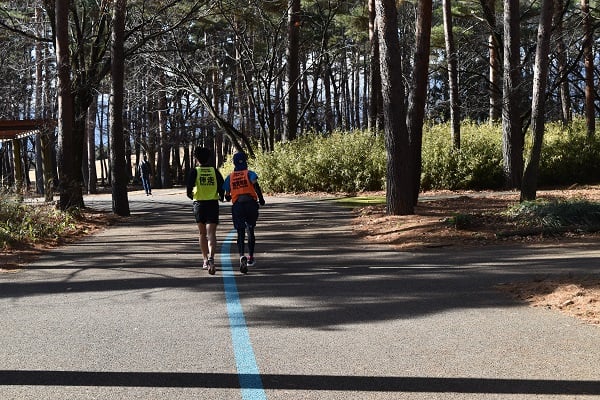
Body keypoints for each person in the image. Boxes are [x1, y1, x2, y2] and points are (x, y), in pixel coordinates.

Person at [223, 152, 265, 274]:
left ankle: (242, 256)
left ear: (234, 163)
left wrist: (229, 196)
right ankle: (251, 258)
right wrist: (261, 199)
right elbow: (256, 186)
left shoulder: (230, 177)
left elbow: (227, 196)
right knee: (250, 230)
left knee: (240, 231)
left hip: (238, 206)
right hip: (251, 204)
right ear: (245, 161)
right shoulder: (250, 173)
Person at [186, 147, 224, 275]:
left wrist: (194, 197)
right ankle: (212, 257)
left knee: (202, 233)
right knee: (211, 233)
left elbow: (188, 189)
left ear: (196, 158)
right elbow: (221, 186)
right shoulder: (214, 171)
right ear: (208, 158)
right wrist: (221, 196)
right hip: (213, 203)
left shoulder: (194, 171)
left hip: (199, 204)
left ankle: (205, 259)